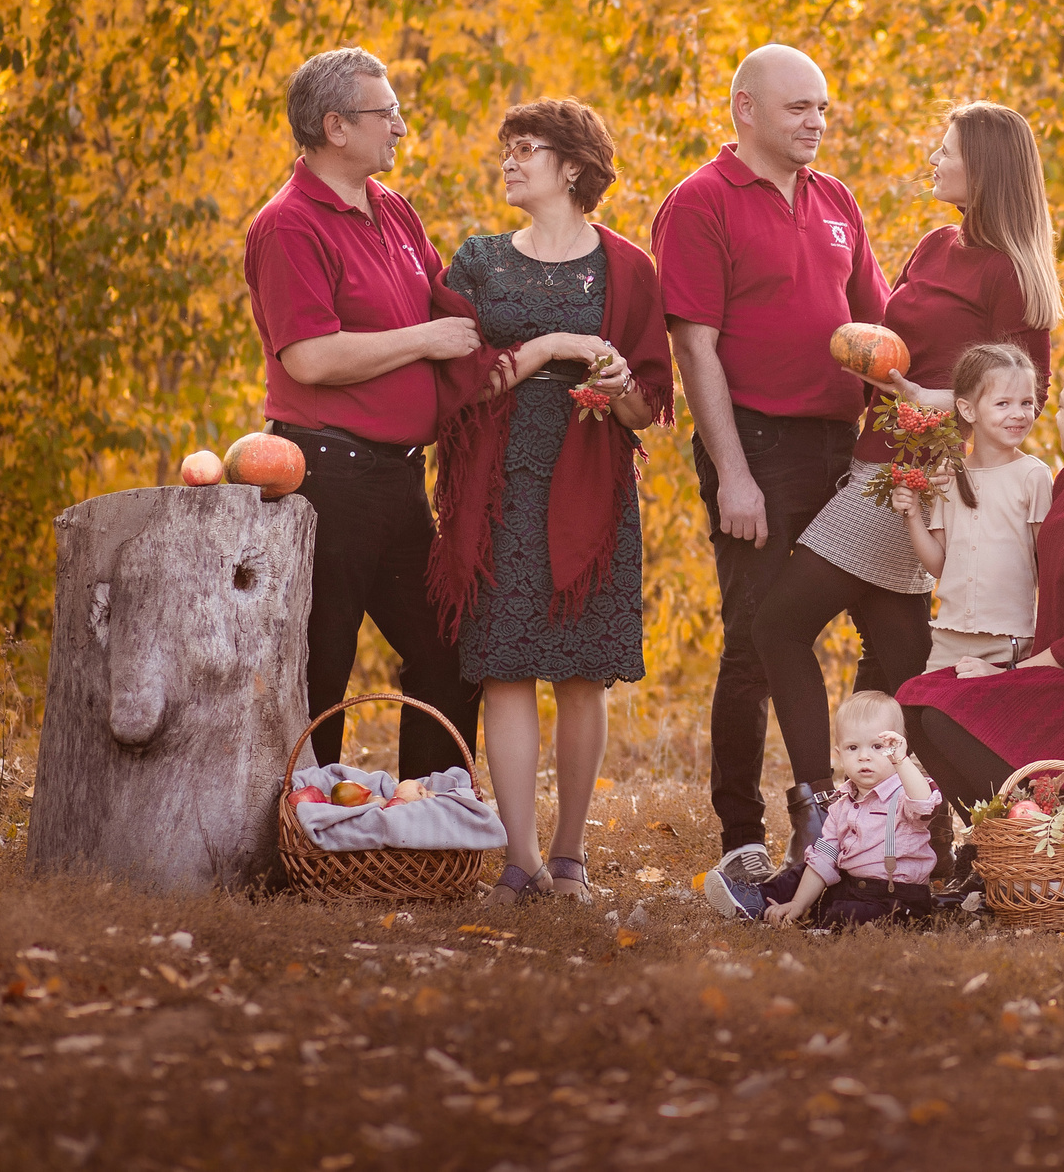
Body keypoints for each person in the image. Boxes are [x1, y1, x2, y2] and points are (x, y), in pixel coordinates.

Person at [754, 103, 1059, 866]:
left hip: (919, 475)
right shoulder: (934, 244)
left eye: (946, 149)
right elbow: (894, 341)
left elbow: (1026, 396)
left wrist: (926, 401)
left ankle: (816, 807)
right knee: (912, 673)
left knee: (779, 624)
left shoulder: (1010, 274)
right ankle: (965, 830)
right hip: (874, 458)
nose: (933, 157)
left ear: (982, 167)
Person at [425, 99, 673, 906]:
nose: (508, 160)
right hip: (495, 488)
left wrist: (619, 383)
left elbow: (648, 409)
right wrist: (554, 347)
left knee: (579, 674)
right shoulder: (479, 262)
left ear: (572, 166)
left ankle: (568, 856)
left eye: (525, 148)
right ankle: (518, 859)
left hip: (589, 490)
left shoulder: (627, 268)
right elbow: (462, 381)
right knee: (504, 669)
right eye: (506, 147)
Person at [653, 45, 889, 887]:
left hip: (844, 449)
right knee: (754, 643)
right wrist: (734, 474)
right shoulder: (700, 202)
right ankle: (742, 832)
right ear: (745, 109)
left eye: (822, 107)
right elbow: (695, 347)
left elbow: (879, 329)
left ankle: (862, 818)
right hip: (756, 448)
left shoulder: (837, 200)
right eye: (798, 108)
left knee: (882, 630)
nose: (816, 122)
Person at [243, 47, 481, 779]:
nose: (401, 127)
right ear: (336, 126)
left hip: (397, 482)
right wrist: (426, 339)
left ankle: (425, 820)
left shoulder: (394, 210)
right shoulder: (288, 226)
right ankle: (301, 840)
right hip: (326, 478)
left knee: (452, 643)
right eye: (388, 113)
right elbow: (309, 357)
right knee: (322, 662)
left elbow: (456, 310)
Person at [897, 355, 1064, 830]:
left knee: (936, 716)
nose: (1047, 415)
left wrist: (1007, 670)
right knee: (913, 704)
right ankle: (992, 841)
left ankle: (1026, 828)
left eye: (1056, 407)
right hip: (1049, 663)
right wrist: (953, 482)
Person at [701, 691, 941, 928]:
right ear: (839, 754)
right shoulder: (841, 806)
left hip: (897, 898)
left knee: (840, 913)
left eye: (878, 747)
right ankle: (763, 901)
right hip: (852, 887)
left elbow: (924, 804)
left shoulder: (903, 794)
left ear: (897, 749)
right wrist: (798, 902)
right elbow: (825, 859)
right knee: (810, 868)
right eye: (853, 748)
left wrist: (902, 762)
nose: (864, 757)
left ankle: (816, 919)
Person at [895, 344, 1053, 674]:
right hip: (947, 640)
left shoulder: (1033, 477)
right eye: (1003, 403)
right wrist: (912, 516)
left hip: (1007, 642)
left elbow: (1049, 569)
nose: (1019, 413)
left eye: (1026, 403)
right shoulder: (949, 476)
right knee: (920, 715)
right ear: (968, 410)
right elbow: (939, 565)